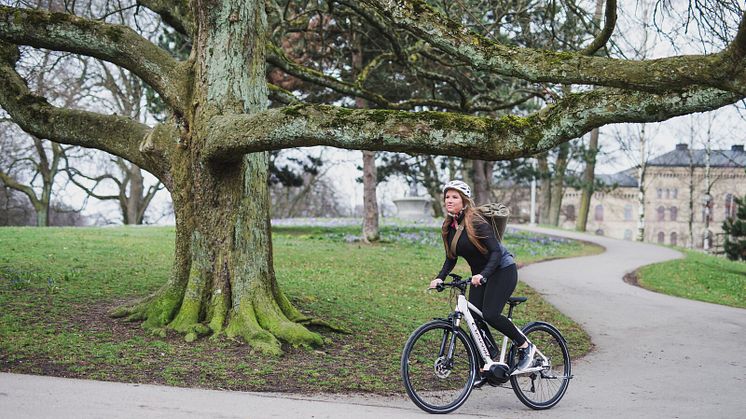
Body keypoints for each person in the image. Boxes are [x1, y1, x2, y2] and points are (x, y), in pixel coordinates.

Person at [429, 180, 535, 377]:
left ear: (464, 201)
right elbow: (450, 258)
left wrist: (483, 275)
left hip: (502, 269)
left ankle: (525, 345)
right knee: (474, 320)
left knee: (491, 314)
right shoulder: (449, 226)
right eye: (447, 197)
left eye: (454, 197)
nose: (449, 200)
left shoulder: (476, 222)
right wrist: (439, 278)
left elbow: (495, 252)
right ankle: (486, 365)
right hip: (480, 275)